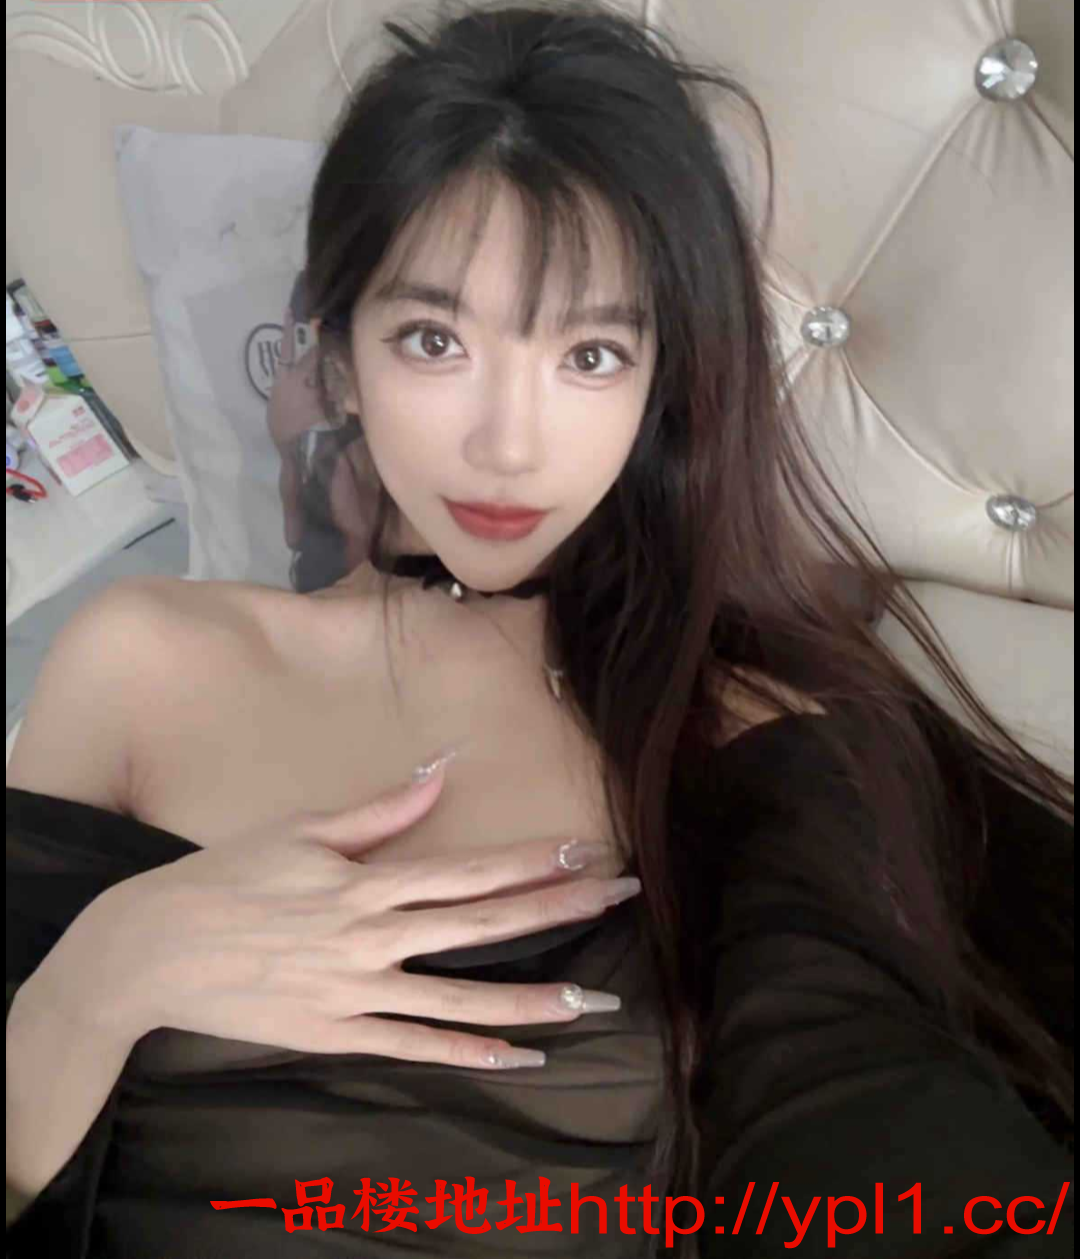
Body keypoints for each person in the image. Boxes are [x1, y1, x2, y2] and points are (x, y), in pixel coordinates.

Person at [6, 2, 1073, 1255]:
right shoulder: (139, 657)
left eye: (592, 354)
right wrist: (102, 972)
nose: (508, 444)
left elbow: (863, 1102)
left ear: (661, 384)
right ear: (337, 358)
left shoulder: (746, 725)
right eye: (433, 339)